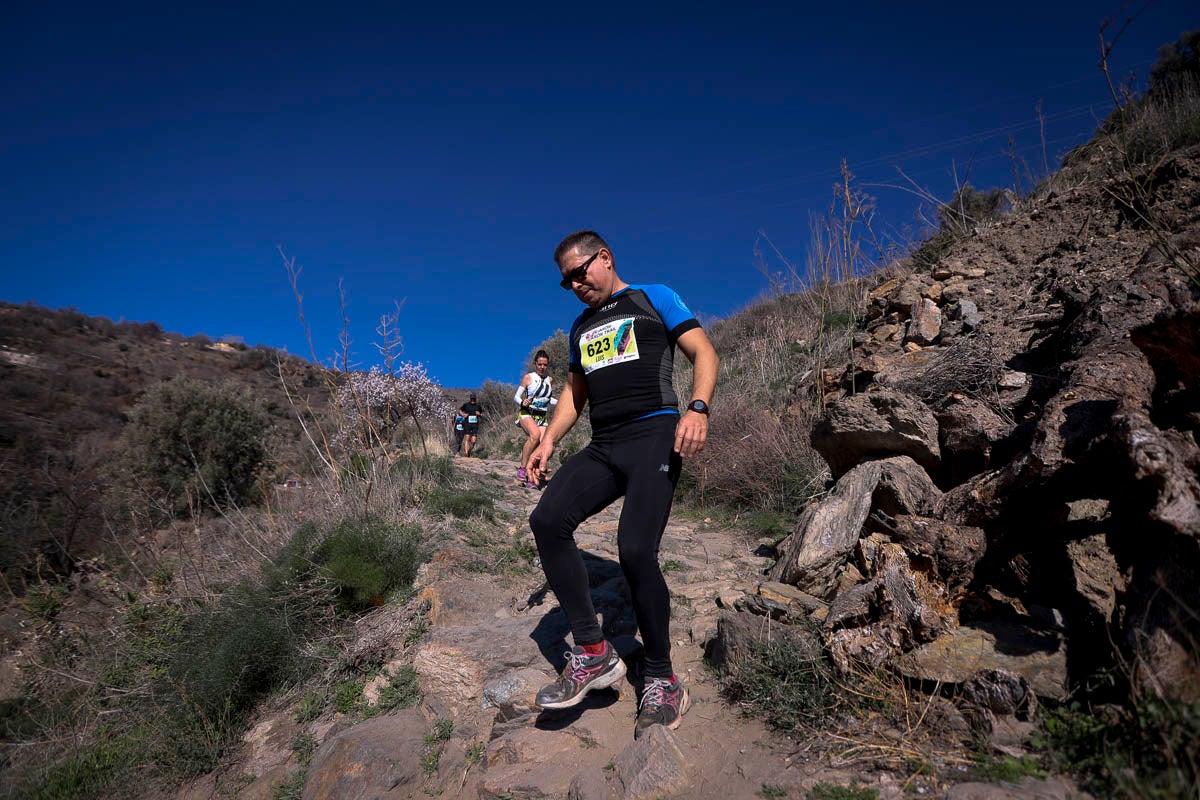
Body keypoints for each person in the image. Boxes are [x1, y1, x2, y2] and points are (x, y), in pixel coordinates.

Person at [527, 230, 718, 740]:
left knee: (634, 549)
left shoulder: (654, 298)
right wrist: (548, 440)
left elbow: (704, 352)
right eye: (566, 281)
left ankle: (662, 677)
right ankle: (594, 653)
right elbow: (575, 395)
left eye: (580, 271)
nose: (575, 284)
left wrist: (698, 408)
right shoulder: (580, 327)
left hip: (655, 435)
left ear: (605, 258)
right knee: (547, 519)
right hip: (605, 444)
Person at [514, 349, 557, 488]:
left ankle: (532, 474)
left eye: (545, 365)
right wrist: (522, 402)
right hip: (527, 413)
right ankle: (522, 468)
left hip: (541, 416)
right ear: (535, 364)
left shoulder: (549, 380)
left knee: (544, 444)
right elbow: (516, 397)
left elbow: (547, 399)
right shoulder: (528, 377)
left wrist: (562, 402)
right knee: (535, 435)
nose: (542, 367)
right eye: (540, 364)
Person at [458, 392, 483, 457]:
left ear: (475, 399)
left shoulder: (478, 406)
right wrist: (463, 415)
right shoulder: (466, 405)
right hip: (467, 423)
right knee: (467, 438)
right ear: (470, 399)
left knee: (473, 441)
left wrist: (479, 414)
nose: (473, 400)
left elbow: (482, 414)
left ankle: (469, 451)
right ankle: (466, 453)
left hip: (475, 424)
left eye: (474, 399)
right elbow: (460, 410)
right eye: (472, 399)